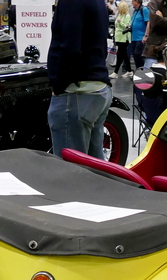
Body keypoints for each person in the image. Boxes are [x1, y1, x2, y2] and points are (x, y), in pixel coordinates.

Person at [47, 0, 112, 160]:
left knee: (70, 173)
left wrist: (59, 86)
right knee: (94, 169)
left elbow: (70, 48)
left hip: (76, 92)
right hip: (96, 87)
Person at [111, 1, 133, 78]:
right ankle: (130, 71)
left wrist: (121, 23)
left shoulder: (127, 16)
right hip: (118, 37)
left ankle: (115, 72)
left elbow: (127, 26)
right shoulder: (119, 15)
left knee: (120, 55)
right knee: (124, 55)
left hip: (124, 38)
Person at [129, 0, 151, 69]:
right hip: (134, 37)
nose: (131, 3)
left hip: (140, 37)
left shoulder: (144, 9)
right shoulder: (136, 11)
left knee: (138, 54)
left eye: (133, 1)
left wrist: (146, 35)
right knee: (135, 55)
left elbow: (148, 23)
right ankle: (139, 70)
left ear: (137, 1)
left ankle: (143, 71)